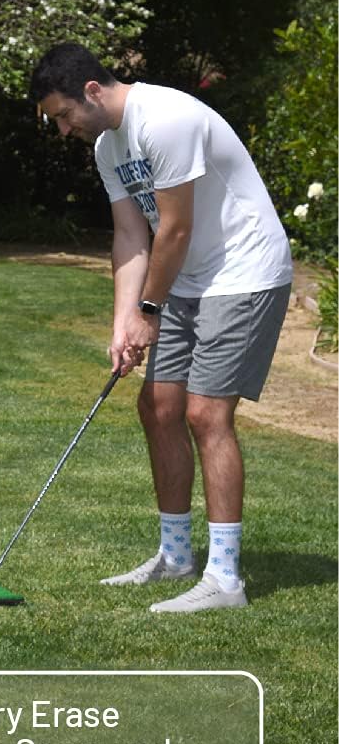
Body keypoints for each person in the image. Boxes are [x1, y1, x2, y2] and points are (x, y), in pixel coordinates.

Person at [29, 43, 292, 614]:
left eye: (63, 114)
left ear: (92, 92)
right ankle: (176, 556)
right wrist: (124, 320)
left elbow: (173, 228)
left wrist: (148, 312)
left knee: (205, 413)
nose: (63, 128)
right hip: (189, 281)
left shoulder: (166, 120)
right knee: (158, 406)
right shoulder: (107, 145)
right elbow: (131, 236)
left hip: (244, 273)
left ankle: (226, 581)